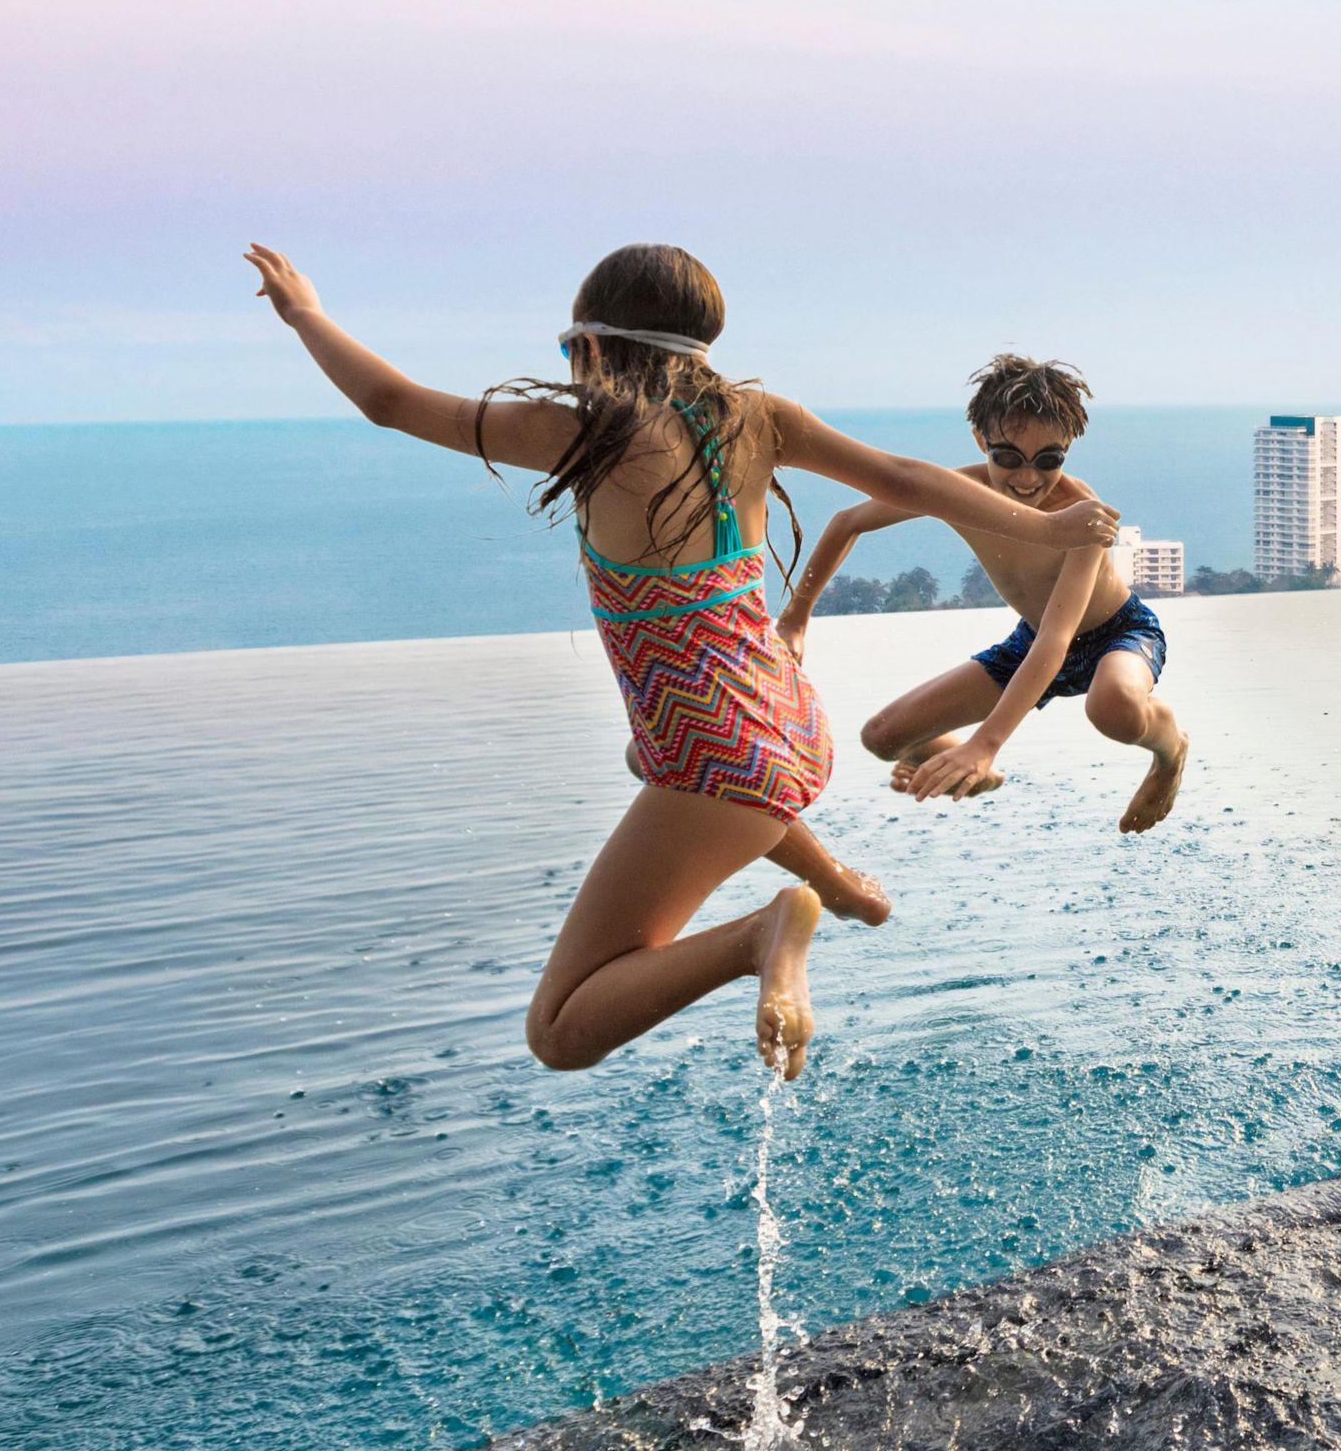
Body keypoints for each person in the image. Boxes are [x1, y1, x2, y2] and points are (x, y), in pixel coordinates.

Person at [244, 243, 1118, 1079]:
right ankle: (840, 884)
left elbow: (391, 402)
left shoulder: (591, 433)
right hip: (787, 721)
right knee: (644, 752)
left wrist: (305, 315)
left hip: (722, 759)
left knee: (560, 1032)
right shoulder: (758, 416)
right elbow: (903, 475)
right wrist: (1042, 526)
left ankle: (764, 933)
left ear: (588, 347)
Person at [780, 355, 1193, 835]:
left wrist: (985, 742)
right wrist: (796, 617)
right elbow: (847, 522)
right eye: (1007, 457)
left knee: (1113, 708)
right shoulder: (957, 491)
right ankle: (979, 777)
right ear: (981, 440)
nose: (1027, 479)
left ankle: (1171, 751)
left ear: (1069, 449)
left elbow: (1058, 641)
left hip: (1116, 634)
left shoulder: (1081, 514)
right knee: (884, 737)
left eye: (1049, 460)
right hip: (1032, 640)